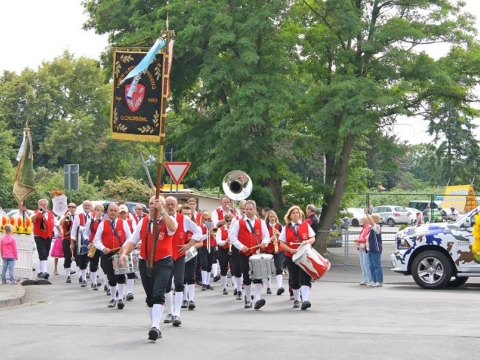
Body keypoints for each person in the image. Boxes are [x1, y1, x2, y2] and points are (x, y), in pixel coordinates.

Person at [118, 196, 177, 341]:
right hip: (145, 262)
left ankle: (155, 327)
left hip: (163, 262)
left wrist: (162, 211)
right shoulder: (143, 222)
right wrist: (124, 254)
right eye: (150, 203)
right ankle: (155, 325)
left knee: (158, 294)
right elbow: (133, 240)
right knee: (150, 296)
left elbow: (173, 228)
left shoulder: (168, 219)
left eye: (156, 203)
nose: (153, 206)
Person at [163, 196, 201, 327]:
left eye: (172, 204)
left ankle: (177, 313)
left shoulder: (183, 219)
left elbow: (198, 230)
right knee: (167, 285)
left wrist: (189, 244)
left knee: (179, 283)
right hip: (165, 256)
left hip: (179, 255)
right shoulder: (160, 218)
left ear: (176, 205)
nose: (170, 206)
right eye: (167, 204)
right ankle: (170, 311)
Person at [229, 200, 270, 310]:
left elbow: (267, 236)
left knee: (257, 276)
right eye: (246, 209)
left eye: (251, 209)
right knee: (246, 276)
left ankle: (257, 299)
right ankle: (247, 299)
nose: (248, 211)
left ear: (255, 210)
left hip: (256, 253)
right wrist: (241, 246)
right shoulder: (239, 222)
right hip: (244, 253)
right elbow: (232, 237)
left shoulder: (261, 222)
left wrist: (264, 242)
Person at [93, 203, 132, 310]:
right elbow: (96, 240)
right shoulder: (102, 224)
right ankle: (113, 298)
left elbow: (129, 237)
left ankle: (120, 298)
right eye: (111, 210)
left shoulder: (123, 223)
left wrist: (123, 247)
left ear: (118, 212)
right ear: (107, 212)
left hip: (120, 253)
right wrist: (103, 248)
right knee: (110, 276)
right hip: (107, 253)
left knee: (121, 275)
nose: (113, 212)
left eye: (115, 210)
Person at [278, 205, 316, 310]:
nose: (296, 214)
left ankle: (305, 300)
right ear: (289, 216)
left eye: (297, 212)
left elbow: (312, 238)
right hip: (291, 256)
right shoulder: (286, 228)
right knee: (294, 278)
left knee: (305, 277)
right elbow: (281, 243)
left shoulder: (305, 225)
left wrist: (307, 242)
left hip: (304, 256)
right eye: (293, 213)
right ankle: (296, 299)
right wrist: (290, 250)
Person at [180, 205, 203, 311]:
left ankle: (191, 299)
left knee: (191, 276)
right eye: (184, 214)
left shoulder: (195, 226)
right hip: (180, 253)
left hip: (191, 254)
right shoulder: (178, 225)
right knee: (182, 277)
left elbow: (201, 243)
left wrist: (190, 246)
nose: (187, 216)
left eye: (189, 214)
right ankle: (184, 298)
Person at [31, 198, 58, 279]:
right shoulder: (35, 212)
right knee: (42, 254)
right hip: (39, 236)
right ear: (39, 205)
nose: (43, 206)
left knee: (45, 254)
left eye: (44, 204)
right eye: (42, 204)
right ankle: (44, 271)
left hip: (48, 236)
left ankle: (40, 271)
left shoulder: (50, 213)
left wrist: (61, 230)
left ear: (47, 205)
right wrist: (39, 212)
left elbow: (56, 223)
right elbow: (31, 220)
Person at [70, 200, 93, 287]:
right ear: (83, 206)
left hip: (91, 242)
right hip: (81, 242)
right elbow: (73, 231)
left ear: (91, 207)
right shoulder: (78, 216)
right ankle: (83, 278)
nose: (87, 207)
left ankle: (92, 278)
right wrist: (72, 243)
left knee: (92, 261)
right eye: (85, 205)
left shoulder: (93, 216)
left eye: (88, 205)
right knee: (82, 260)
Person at [84, 204, 105, 291]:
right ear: (94, 211)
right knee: (93, 263)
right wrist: (88, 241)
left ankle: (106, 284)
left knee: (104, 264)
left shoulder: (104, 221)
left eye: (101, 210)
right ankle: (94, 282)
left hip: (103, 244)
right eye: (98, 210)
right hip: (93, 244)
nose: (100, 212)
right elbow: (86, 233)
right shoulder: (90, 221)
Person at [264, 210, 284, 295]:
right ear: (268, 218)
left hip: (278, 249)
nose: (272, 218)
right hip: (267, 249)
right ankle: (268, 287)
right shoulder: (265, 226)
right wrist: (270, 239)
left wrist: (279, 234)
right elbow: (262, 238)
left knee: (279, 267)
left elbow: (284, 238)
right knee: (267, 269)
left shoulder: (279, 226)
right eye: (270, 217)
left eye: (273, 216)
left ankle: (280, 287)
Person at [118, 205, 136, 300]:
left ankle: (129, 292)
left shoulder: (131, 222)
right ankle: (120, 291)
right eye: (121, 213)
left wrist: (125, 246)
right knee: (119, 271)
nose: (122, 214)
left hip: (128, 248)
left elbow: (133, 235)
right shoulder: (116, 223)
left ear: (127, 213)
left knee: (130, 271)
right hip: (117, 249)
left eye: (124, 213)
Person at [215, 213, 235, 295]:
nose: (229, 222)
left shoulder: (235, 229)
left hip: (232, 250)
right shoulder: (220, 229)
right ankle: (224, 287)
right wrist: (225, 241)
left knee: (234, 268)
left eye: (231, 221)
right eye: (227, 221)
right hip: (223, 250)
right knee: (223, 268)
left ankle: (236, 287)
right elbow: (218, 241)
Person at [198, 211, 216, 291]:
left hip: (212, 246)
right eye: (205, 219)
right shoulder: (200, 226)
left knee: (209, 264)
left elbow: (216, 236)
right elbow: (200, 238)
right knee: (204, 264)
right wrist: (207, 234)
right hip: (203, 247)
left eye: (208, 219)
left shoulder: (213, 226)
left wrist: (212, 230)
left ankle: (208, 282)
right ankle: (204, 283)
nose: (207, 220)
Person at [60, 203, 77, 284]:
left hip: (76, 240)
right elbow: (61, 223)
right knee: (67, 257)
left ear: (75, 208)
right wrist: (67, 216)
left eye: (73, 207)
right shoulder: (65, 215)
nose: (71, 208)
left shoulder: (77, 217)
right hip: (67, 239)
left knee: (78, 257)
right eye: (69, 207)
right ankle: (68, 276)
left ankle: (82, 275)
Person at [366, 213, 383, 287]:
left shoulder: (377, 227)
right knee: (371, 265)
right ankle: (374, 280)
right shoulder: (371, 228)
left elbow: (372, 223)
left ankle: (379, 281)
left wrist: (367, 214)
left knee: (376, 265)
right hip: (370, 249)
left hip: (376, 249)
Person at [356, 213, 373, 286]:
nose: (361, 221)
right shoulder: (364, 228)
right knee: (363, 264)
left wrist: (358, 240)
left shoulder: (368, 228)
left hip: (365, 248)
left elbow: (366, 239)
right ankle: (365, 279)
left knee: (366, 264)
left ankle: (369, 279)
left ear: (366, 221)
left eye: (362, 220)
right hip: (361, 247)